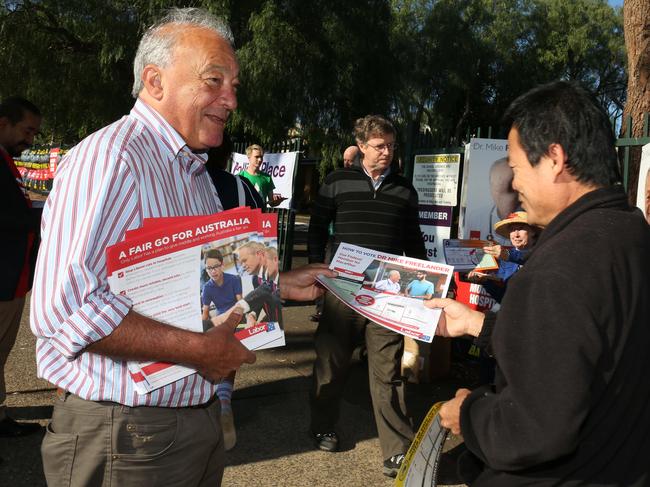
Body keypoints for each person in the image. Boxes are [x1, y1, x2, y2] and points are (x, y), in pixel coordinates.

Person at [30, 8, 333, 487]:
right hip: (127, 434)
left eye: (234, 85)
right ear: (155, 81)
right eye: (214, 81)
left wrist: (275, 282)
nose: (231, 99)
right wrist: (199, 351)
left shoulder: (192, 171)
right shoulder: (112, 158)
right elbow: (64, 309)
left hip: (187, 420)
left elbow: (191, 281)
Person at [426, 81, 650, 486]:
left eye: (515, 169)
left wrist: (469, 413)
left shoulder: (558, 267)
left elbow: (535, 429)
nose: (513, 186)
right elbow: (582, 346)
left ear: (554, 158)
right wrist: (478, 325)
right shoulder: (630, 233)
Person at [308, 115, 427, 477]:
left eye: (391, 146)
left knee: (387, 370)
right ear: (361, 146)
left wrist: (425, 283)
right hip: (341, 289)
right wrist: (315, 269)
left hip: (386, 293)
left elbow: (413, 240)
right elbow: (316, 228)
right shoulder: (336, 181)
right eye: (380, 146)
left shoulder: (405, 190)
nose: (387, 152)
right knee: (331, 365)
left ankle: (396, 449)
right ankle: (322, 424)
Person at [0, 96, 43, 438]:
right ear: (4, 123)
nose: (30, 141)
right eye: (26, 131)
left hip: (13, 281)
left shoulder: (5, 160)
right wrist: (48, 214)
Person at [467, 210, 538, 303]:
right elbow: (503, 297)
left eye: (520, 228)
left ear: (533, 231)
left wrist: (508, 255)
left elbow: (527, 258)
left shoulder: (542, 253)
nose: (516, 235)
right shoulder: (504, 258)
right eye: (512, 230)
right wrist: (485, 281)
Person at [206, 133, 264, 210]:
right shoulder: (240, 184)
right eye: (256, 157)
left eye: (261, 157)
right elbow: (259, 213)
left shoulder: (187, 181)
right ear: (228, 155)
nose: (259, 160)